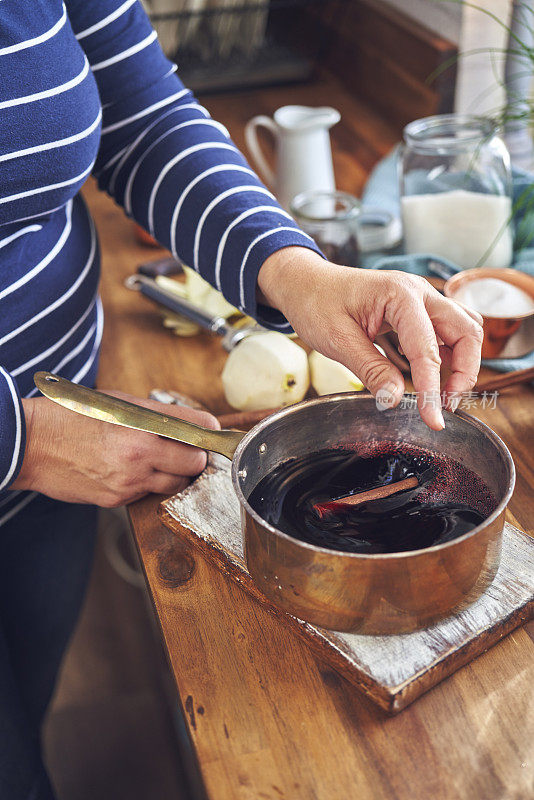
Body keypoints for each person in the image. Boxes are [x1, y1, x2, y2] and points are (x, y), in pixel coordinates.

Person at [0, 1, 483, 797]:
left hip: (57, 467)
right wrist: (18, 442)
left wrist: (300, 274)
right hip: (42, 448)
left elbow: (139, 112)